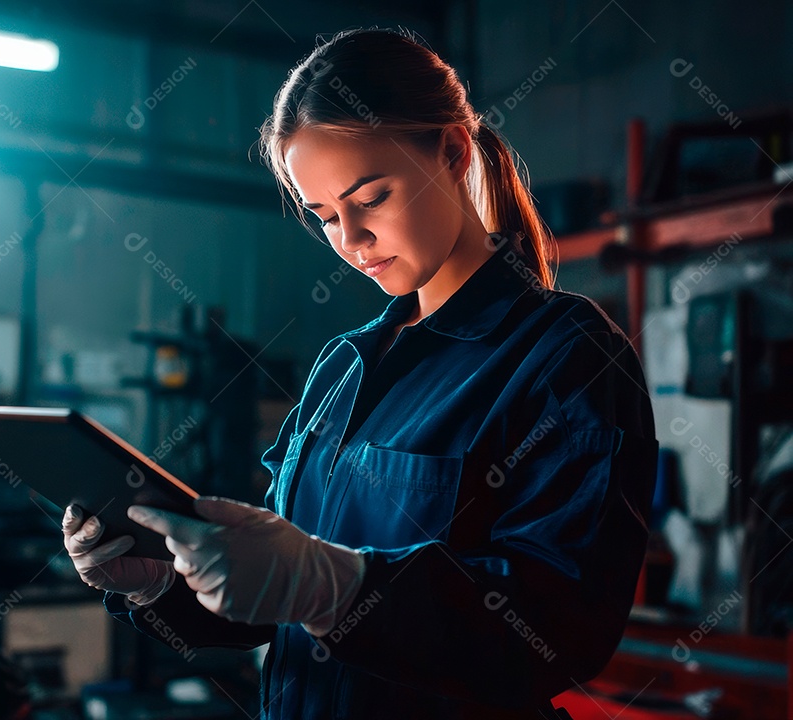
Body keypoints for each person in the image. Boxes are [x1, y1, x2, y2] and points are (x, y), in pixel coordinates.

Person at [63, 27, 657, 720]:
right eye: (324, 217)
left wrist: (340, 590)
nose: (350, 241)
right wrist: (160, 582)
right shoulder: (343, 367)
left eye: (370, 199)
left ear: (452, 150)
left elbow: (560, 630)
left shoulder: (566, 356)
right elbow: (273, 610)